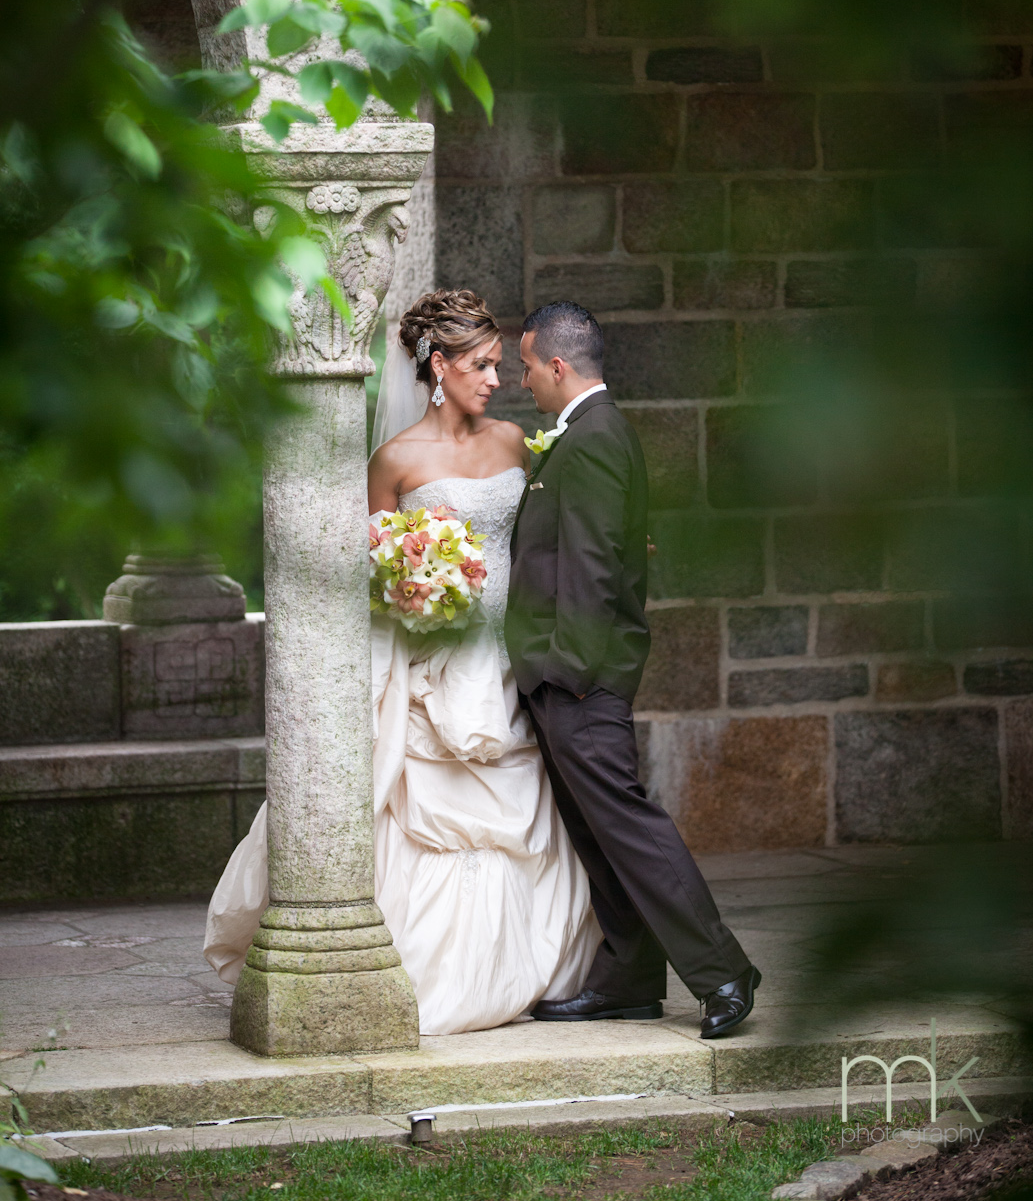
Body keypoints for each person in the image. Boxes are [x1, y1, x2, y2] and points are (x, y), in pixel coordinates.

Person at [203, 288, 600, 1034]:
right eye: (480, 366)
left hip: (510, 652)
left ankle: (533, 966)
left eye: (497, 365)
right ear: (437, 364)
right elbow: (364, 566)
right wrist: (415, 582)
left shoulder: (515, 443)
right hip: (434, 657)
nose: (494, 380)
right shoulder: (393, 460)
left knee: (526, 797)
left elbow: (541, 543)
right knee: (414, 800)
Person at [505, 301, 760, 1038]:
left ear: (557, 365)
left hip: (577, 675)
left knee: (630, 825)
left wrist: (572, 672)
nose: (522, 381)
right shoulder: (589, 434)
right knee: (599, 832)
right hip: (562, 673)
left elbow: (587, 567)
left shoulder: (589, 438)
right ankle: (629, 977)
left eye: (525, 366)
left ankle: (722, 972)